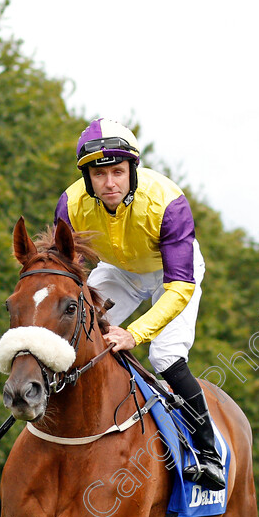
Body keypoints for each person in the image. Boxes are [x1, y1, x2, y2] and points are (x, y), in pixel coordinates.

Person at [55, 118, 224, 489]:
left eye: (118, 172)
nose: (110, 183)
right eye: (100, 175)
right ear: (88, 179)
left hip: (172, 274)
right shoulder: (70, 205)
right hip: (120, 271)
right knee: (74, 332)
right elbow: (66, 276)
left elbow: (179, 288)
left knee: (164, 356)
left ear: (133, 169)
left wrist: (134, 333)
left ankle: (209, 455)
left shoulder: (168, 202)